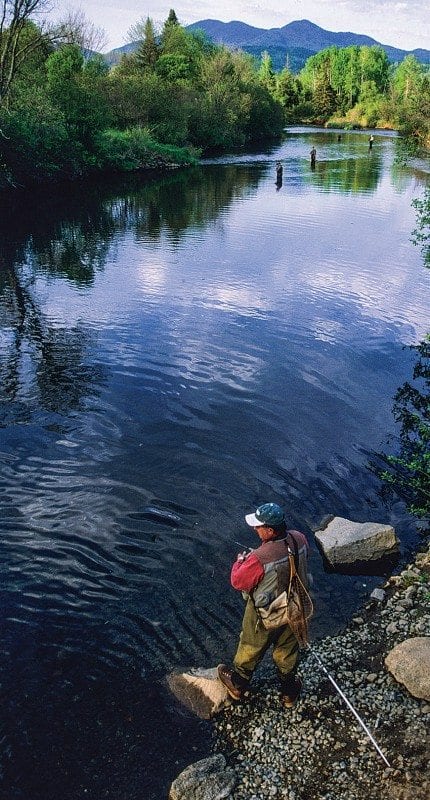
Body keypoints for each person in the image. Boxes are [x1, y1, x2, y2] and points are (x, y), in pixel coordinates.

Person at [218, 502, 310, 708]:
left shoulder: (258, 559)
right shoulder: (300, 538)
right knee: (287, 649)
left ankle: (238, 685)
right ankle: (288, 693)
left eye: (258, 526)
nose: (254, 529)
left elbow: (238, 581)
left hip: (267, 613)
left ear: (270, 530)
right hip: (296, 605)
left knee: (250, 646)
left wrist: (240, 561)